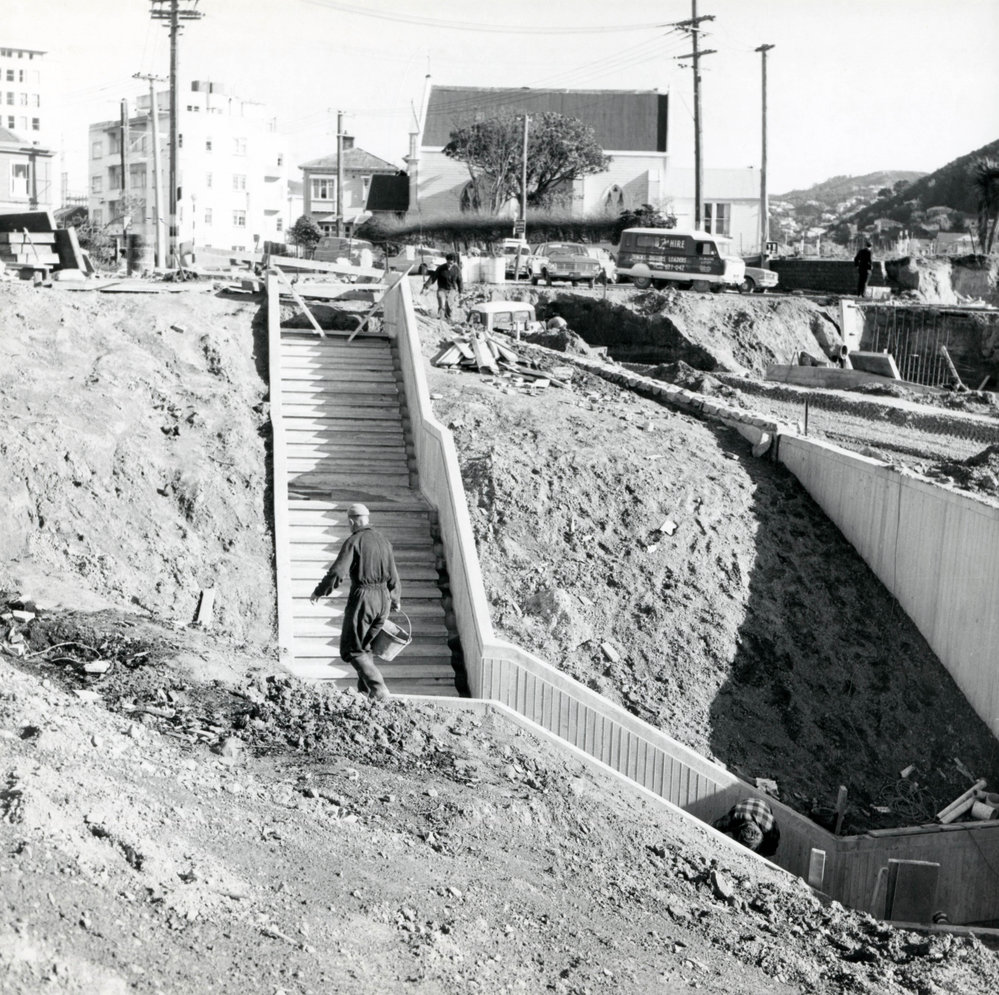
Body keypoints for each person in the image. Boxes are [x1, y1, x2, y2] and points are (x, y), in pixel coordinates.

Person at [309, 503, 401, 701]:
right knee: (365, 647)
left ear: (352, 521)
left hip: (364, 598)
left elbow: (337, 572)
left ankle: (379, 689)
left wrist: (320, 591)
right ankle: (365, 693)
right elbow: (394, 574)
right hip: (383, 599)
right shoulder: (383, 541)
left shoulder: (354, 541)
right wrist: (395, 598)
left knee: (352, 648)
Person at [712, 797, 780, 857]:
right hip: (745, 805)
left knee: (767, 849)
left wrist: (759, 854)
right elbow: (713, 828)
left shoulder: (770, 827)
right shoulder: (733, 818)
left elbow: (772, 850)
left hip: (764, 806)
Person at [421, 252, 463, 319]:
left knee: (449, 307)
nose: (449, 265)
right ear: (446, 261)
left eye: (451, 263)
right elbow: (433, 277)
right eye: (448, 263)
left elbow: (460, 280)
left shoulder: (456, 269)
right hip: (442, 289)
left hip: (452, 289)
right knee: (441, 304)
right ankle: (441, 319)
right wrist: (426, 286)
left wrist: (460, 292)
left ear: (454, 263)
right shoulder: (441, 268)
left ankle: (448, 319)